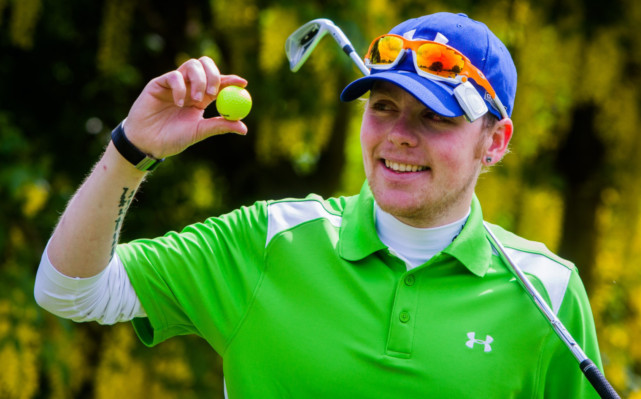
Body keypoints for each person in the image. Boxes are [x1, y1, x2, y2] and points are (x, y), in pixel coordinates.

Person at [35, 12, 605, 398]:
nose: (399, 135)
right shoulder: (269, 239)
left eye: (436, 116)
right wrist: (131, 152)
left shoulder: (548, 293)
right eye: (383, 106)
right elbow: (68, 291)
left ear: (495, 142)